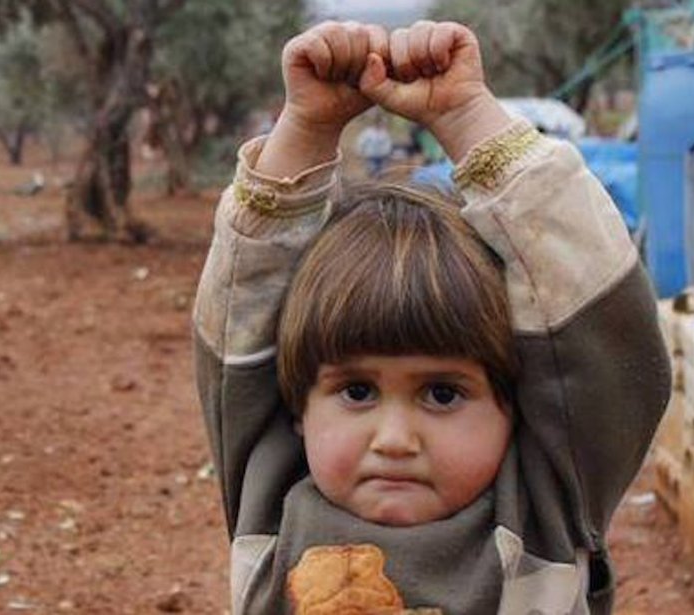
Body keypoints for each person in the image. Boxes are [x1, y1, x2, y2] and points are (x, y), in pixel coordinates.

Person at [193, 19, 670, 615]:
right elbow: (242, 317)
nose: (395, 441)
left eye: (443, 394)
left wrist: (467, 116)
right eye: (357, 390)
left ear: (514, 406)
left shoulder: (545, 505)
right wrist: (307, 130)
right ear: (296, 410)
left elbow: (602, 319)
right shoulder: (271, 498)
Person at [354, 112, 394, 176]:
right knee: (372, 170)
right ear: (377, 123)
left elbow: (388, 144)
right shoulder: (368, 132)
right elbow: (361, 141)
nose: (383, 125)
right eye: (381, 123)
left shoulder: (384, 133)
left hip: (382, 155)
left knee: (381, 171)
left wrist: (387, 152)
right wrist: (360, 151)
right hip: (371, 155)